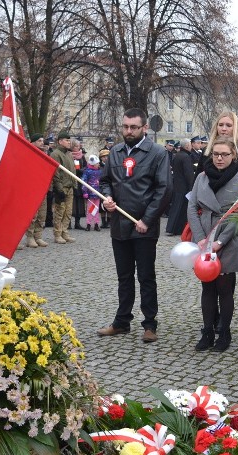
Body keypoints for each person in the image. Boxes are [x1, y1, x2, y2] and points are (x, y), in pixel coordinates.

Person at [97, 108, 172, 343]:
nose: (128, 131)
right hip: (120, 225)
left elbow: (164, 189)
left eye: (133, 127)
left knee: (146, 276)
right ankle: (122, 321)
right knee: (124, 276)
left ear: (144, 128)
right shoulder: (116, 153)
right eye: (125, 127)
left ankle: (150, 324)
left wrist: (147, 220)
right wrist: (106, 199)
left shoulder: (158, 153)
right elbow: (105, 181)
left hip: (143, 226)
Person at [187, 137, 238, 352]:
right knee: (207, 286)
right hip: (204, 235)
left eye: (224, 154)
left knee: (224, 288)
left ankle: (224, 332)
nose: (219, 158)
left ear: (233, 156)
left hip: (228, 237)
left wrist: (220, 241)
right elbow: (192, 207)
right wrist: (200, 238)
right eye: (215, 154)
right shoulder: (202, 177)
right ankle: (207, 331)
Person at [49, 130, 78, 244]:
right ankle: (57, 233)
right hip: (62, 187)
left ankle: (65, 232)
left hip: (70, 187)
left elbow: (73, 171)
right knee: (60, 211)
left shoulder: (69, 154)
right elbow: (56, 173)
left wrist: (74, 184)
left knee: (68, 212)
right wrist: (59, 188)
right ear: (60, 141)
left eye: (69, 140)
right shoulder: (55, 154)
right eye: (67, 140)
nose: (69, 142)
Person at [202, 111, 238, 176]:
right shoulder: (207, 150)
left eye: (228, 125)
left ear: (235, 128)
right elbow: (198, 178)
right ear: (216, 127)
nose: (224, 129)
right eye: (220, 125)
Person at [165, 137, 195, 236]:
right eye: (190, 145)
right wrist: (192, 187)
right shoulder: (186, 157)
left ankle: (173, 228)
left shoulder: (177, 155)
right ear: (186, 146)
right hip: (184, 187)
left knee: (176, 207)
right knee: (181, 209)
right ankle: (177, 228)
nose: (191, 146)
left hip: (177, 185)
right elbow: (189, 174)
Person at [82, 154, 103, 231]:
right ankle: (88, 223)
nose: (98, 164)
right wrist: (85, 192)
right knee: (90, 209)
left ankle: (96, 224)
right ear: (93, 164)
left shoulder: (100, 172)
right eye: (97, 163)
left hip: (97, 193)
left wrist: (102, 191)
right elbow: (84, 182)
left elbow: (102, 182)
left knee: (96, 209)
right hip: (90, 194)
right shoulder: (87, 172)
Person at [99, 148, 112, 228]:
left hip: (109, 187)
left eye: (107, 156)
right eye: (103, 156)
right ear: (101, 158)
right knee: (101, 207)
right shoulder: (98, 166)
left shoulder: (111, 165)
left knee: (109, 204)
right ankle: (103, 222)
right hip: (100, 187)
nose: (105, 158)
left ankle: (109, 221)